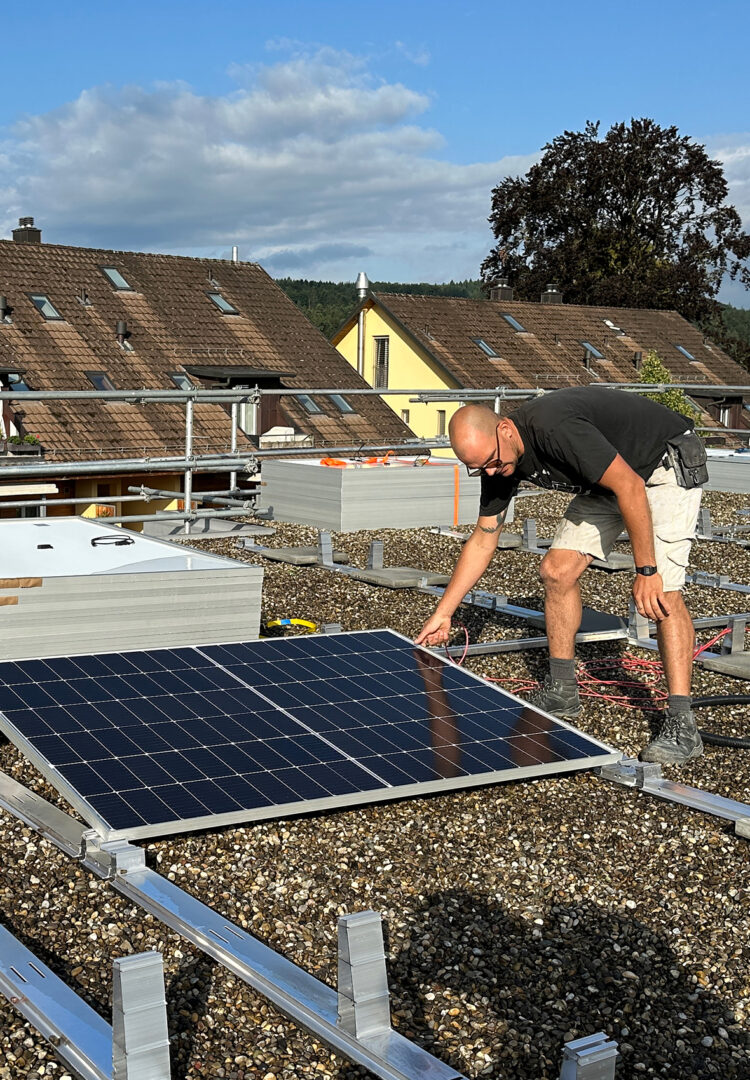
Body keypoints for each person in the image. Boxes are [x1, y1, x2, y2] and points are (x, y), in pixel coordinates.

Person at [415, 385, 707, 766]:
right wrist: (445, 612)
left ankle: (682, 723)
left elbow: (630, 486)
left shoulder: (555, 429)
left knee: (662, 592)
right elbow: (485, 538)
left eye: (489, 462)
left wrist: (646, 570)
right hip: (612, 475)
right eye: (478, 469)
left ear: (505, 429)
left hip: (661, 466)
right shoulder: (497, 459)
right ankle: (562, 689)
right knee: (556, 570)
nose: (488, 472)